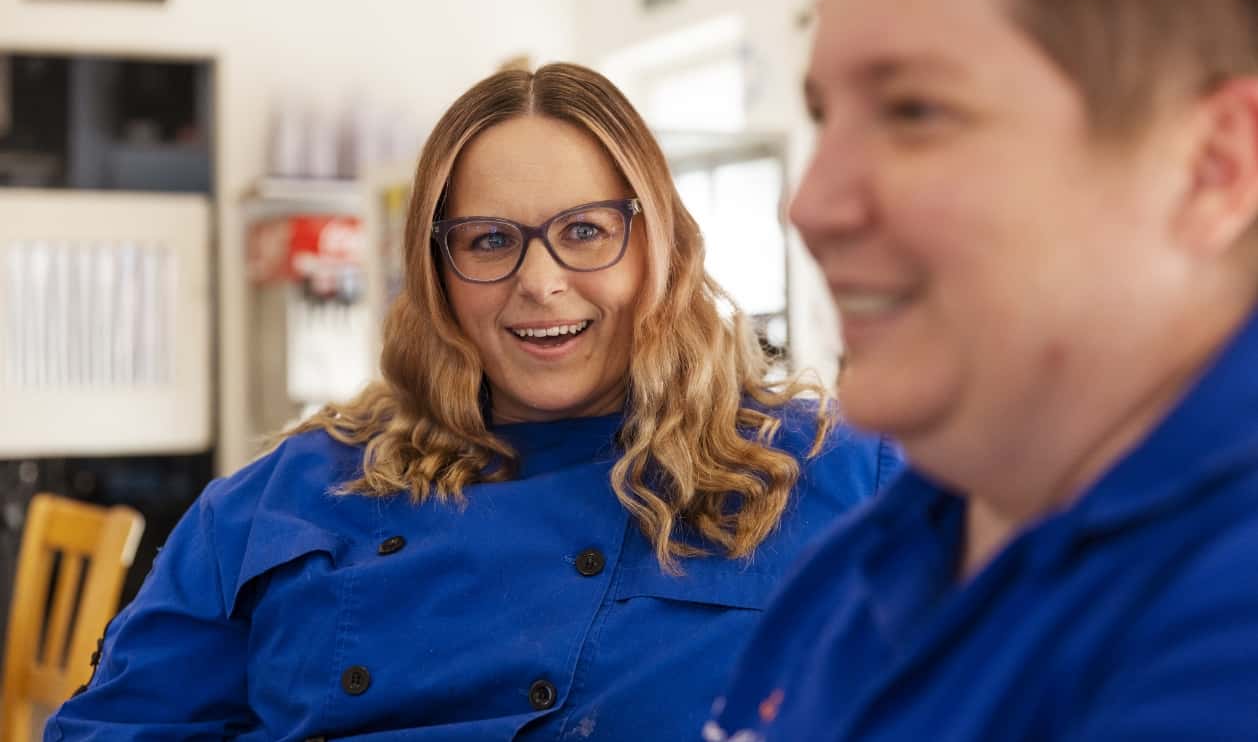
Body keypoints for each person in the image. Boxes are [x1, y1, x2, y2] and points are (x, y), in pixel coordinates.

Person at [45, 63, 897, 741]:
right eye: (489, 241)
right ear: (436, 275)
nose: (540, 281)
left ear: (660, 249)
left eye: (586, 231)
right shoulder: (280, 499)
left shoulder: (835, 481)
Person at [705, 0, 1258, 740]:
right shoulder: (876, 552)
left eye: (914, 111)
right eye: (825, 114)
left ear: (1212, 169)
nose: (809, 205)